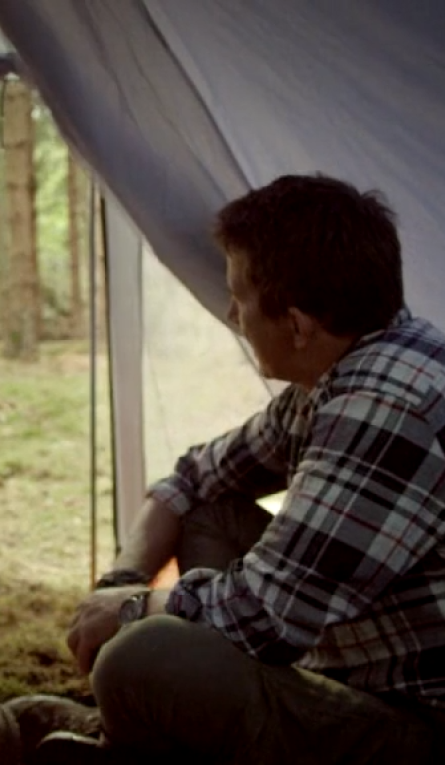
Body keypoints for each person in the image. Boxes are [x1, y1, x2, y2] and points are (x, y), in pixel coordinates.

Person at [58, 174, 445, 764]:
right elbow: (192, 479)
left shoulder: (386, 406)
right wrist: (120, 581)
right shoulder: (346, 371)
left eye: (238, 297)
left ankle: (119, 743)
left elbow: (265, 613)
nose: (232, 315)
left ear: (296, 325)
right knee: (210, 515)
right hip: (360, 663)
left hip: (420, 720)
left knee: (139, 659)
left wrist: (131, 609)